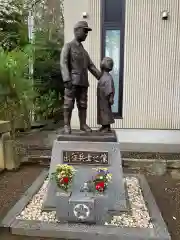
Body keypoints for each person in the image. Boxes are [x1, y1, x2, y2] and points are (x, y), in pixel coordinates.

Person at [60, 21, 101, 134]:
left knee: (83, 104)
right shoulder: (68, 46)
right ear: (77, 30)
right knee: (68, 104)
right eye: (84, 31)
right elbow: (63, 63)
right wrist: (66, 78)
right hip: (71, 82)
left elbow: (92, 67)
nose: (86, 34)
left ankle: (83, 124)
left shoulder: (84, 52)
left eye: (87, 32)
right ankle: (66, 125)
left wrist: (102, 78)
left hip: (83, 82)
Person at [97, 57, 115, 133]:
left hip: (105, 98)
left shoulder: (108, 77)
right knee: (101, 112)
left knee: (106, 111)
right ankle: (103, 125)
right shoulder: (103, 76)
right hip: (101, 97)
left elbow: (110, 88)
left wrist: (111, 97)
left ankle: (107, 127)